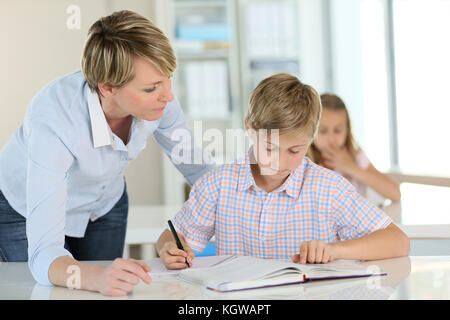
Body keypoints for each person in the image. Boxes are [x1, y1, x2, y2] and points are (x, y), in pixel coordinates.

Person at [0, 10, 214, 297]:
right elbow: (43, 255)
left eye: (168, 79)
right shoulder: (54, 119)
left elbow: (201, 172)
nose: (168, 95)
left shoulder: (159, 100)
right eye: (151, 87)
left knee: (109, 291)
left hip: (103, 205)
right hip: (22, 209)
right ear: (108, 87)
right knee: (41, 290)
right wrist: (93, 276)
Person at [156, 73, 409, 269]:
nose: (279, 162)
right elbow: (173, 235)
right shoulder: (218, 185)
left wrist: (335, 250)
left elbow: (398, 241)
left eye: (294, 151)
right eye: (269, 147)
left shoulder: (328, 188)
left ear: (309, 140)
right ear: (248, 127)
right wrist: (169, 247)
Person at [307, 93, 401, 201]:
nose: (331, 139)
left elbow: (395, 194)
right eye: (323, 131)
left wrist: (352, 167)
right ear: (311, 129)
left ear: (347, 130)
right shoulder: (303, 160)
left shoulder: (356, 156)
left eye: (337, 131)